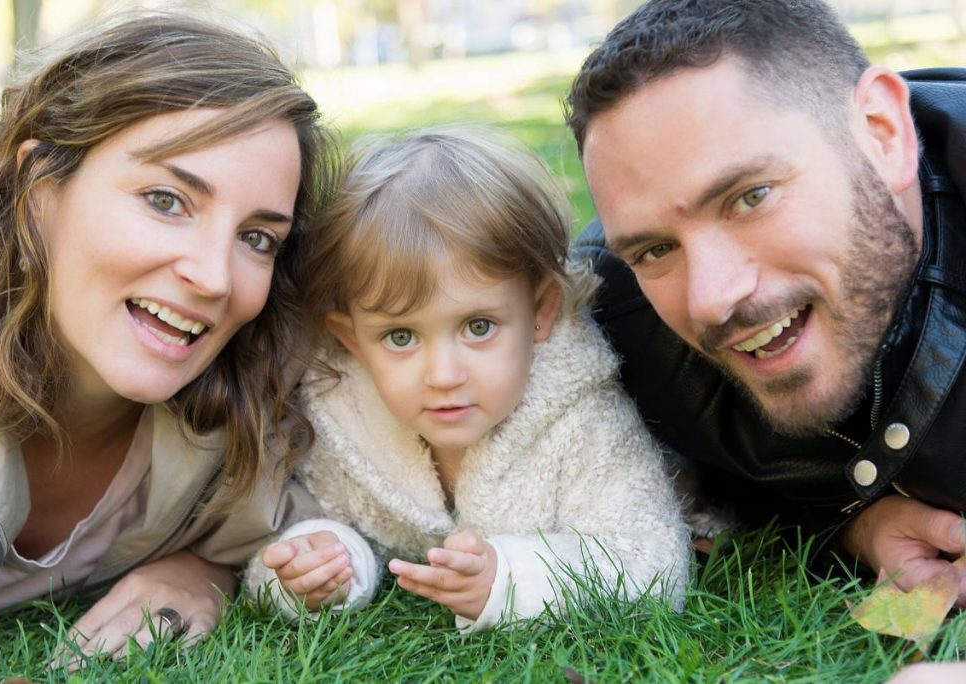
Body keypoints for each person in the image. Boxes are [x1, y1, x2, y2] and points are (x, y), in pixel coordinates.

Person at [0, 13, 332, 679]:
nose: (214, 277)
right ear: (39, 190)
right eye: (166, 200)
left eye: (256, 238)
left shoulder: (254, 392)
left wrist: (205, 571)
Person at [567, 0, 966, 603]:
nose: (710, 299)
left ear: (882, 134)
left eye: (750, 197)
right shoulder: (613, 327)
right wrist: (851, 529)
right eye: (654, 249)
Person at [244, 126, 690, 630]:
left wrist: (510, 578)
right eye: (400, 337)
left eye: (479, 327)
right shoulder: (346, 414)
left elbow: (653, 561)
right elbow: (309, 523)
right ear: (352, 340)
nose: (443, 376)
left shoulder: (585, 420)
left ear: (541, 311)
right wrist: (326, 561)